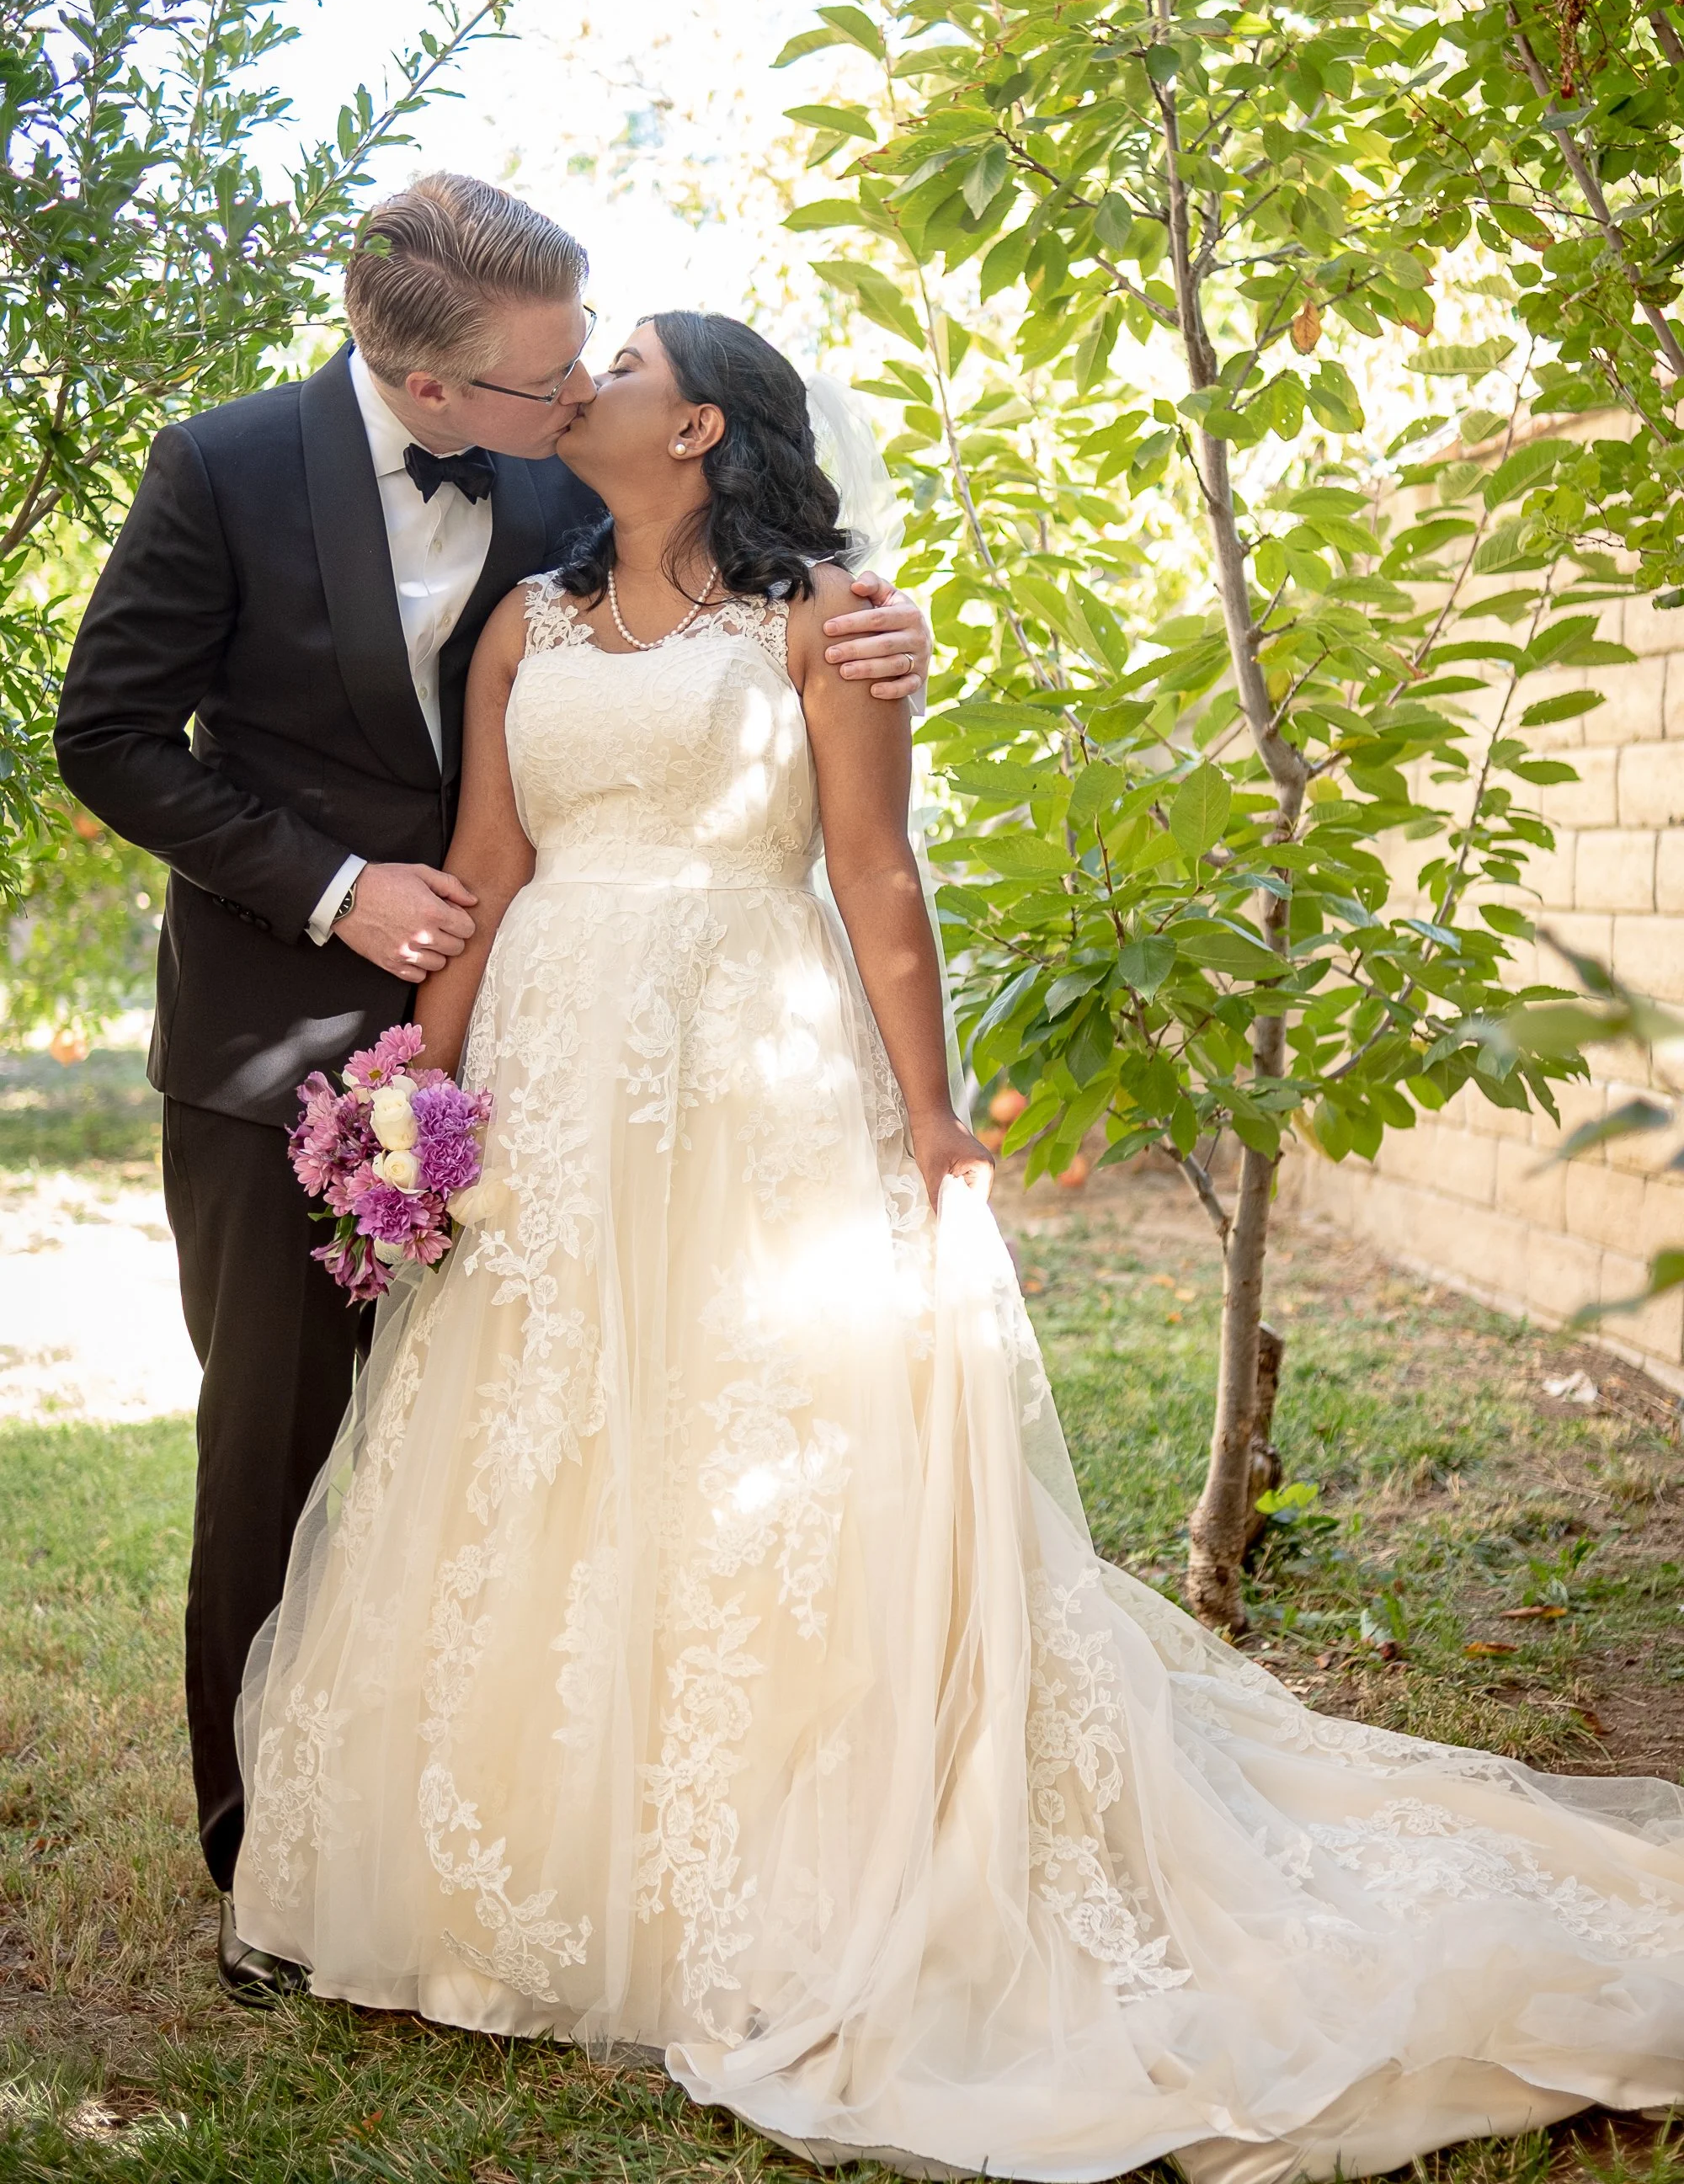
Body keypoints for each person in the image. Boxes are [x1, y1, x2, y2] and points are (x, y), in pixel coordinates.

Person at [233, 310, 1684, 2183]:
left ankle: (778, 1859)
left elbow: (872, 872)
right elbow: (493, 868)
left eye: (619, 358)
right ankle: (522, 1874)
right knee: (552, 1426)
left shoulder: (828, 621)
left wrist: (930, 1118)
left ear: (695, 427)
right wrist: (411, 1102)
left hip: (751, 1064)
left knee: (762, 1418)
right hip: (556, 1072)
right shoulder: (527, 617)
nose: (575, 375)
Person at [51, 185, 932, 2000]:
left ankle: (574, 1822)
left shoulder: (560, 472)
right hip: (276, 1036)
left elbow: (735, 598)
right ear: (427, 382)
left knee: (548, 1434)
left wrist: (877, 641)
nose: (575, 389)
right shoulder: (218, 467)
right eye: (549, 374)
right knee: (277, 1447)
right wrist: (331, 888)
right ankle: (272, 1864)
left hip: (550, 1040)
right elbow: (110, 734)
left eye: (590, 361)